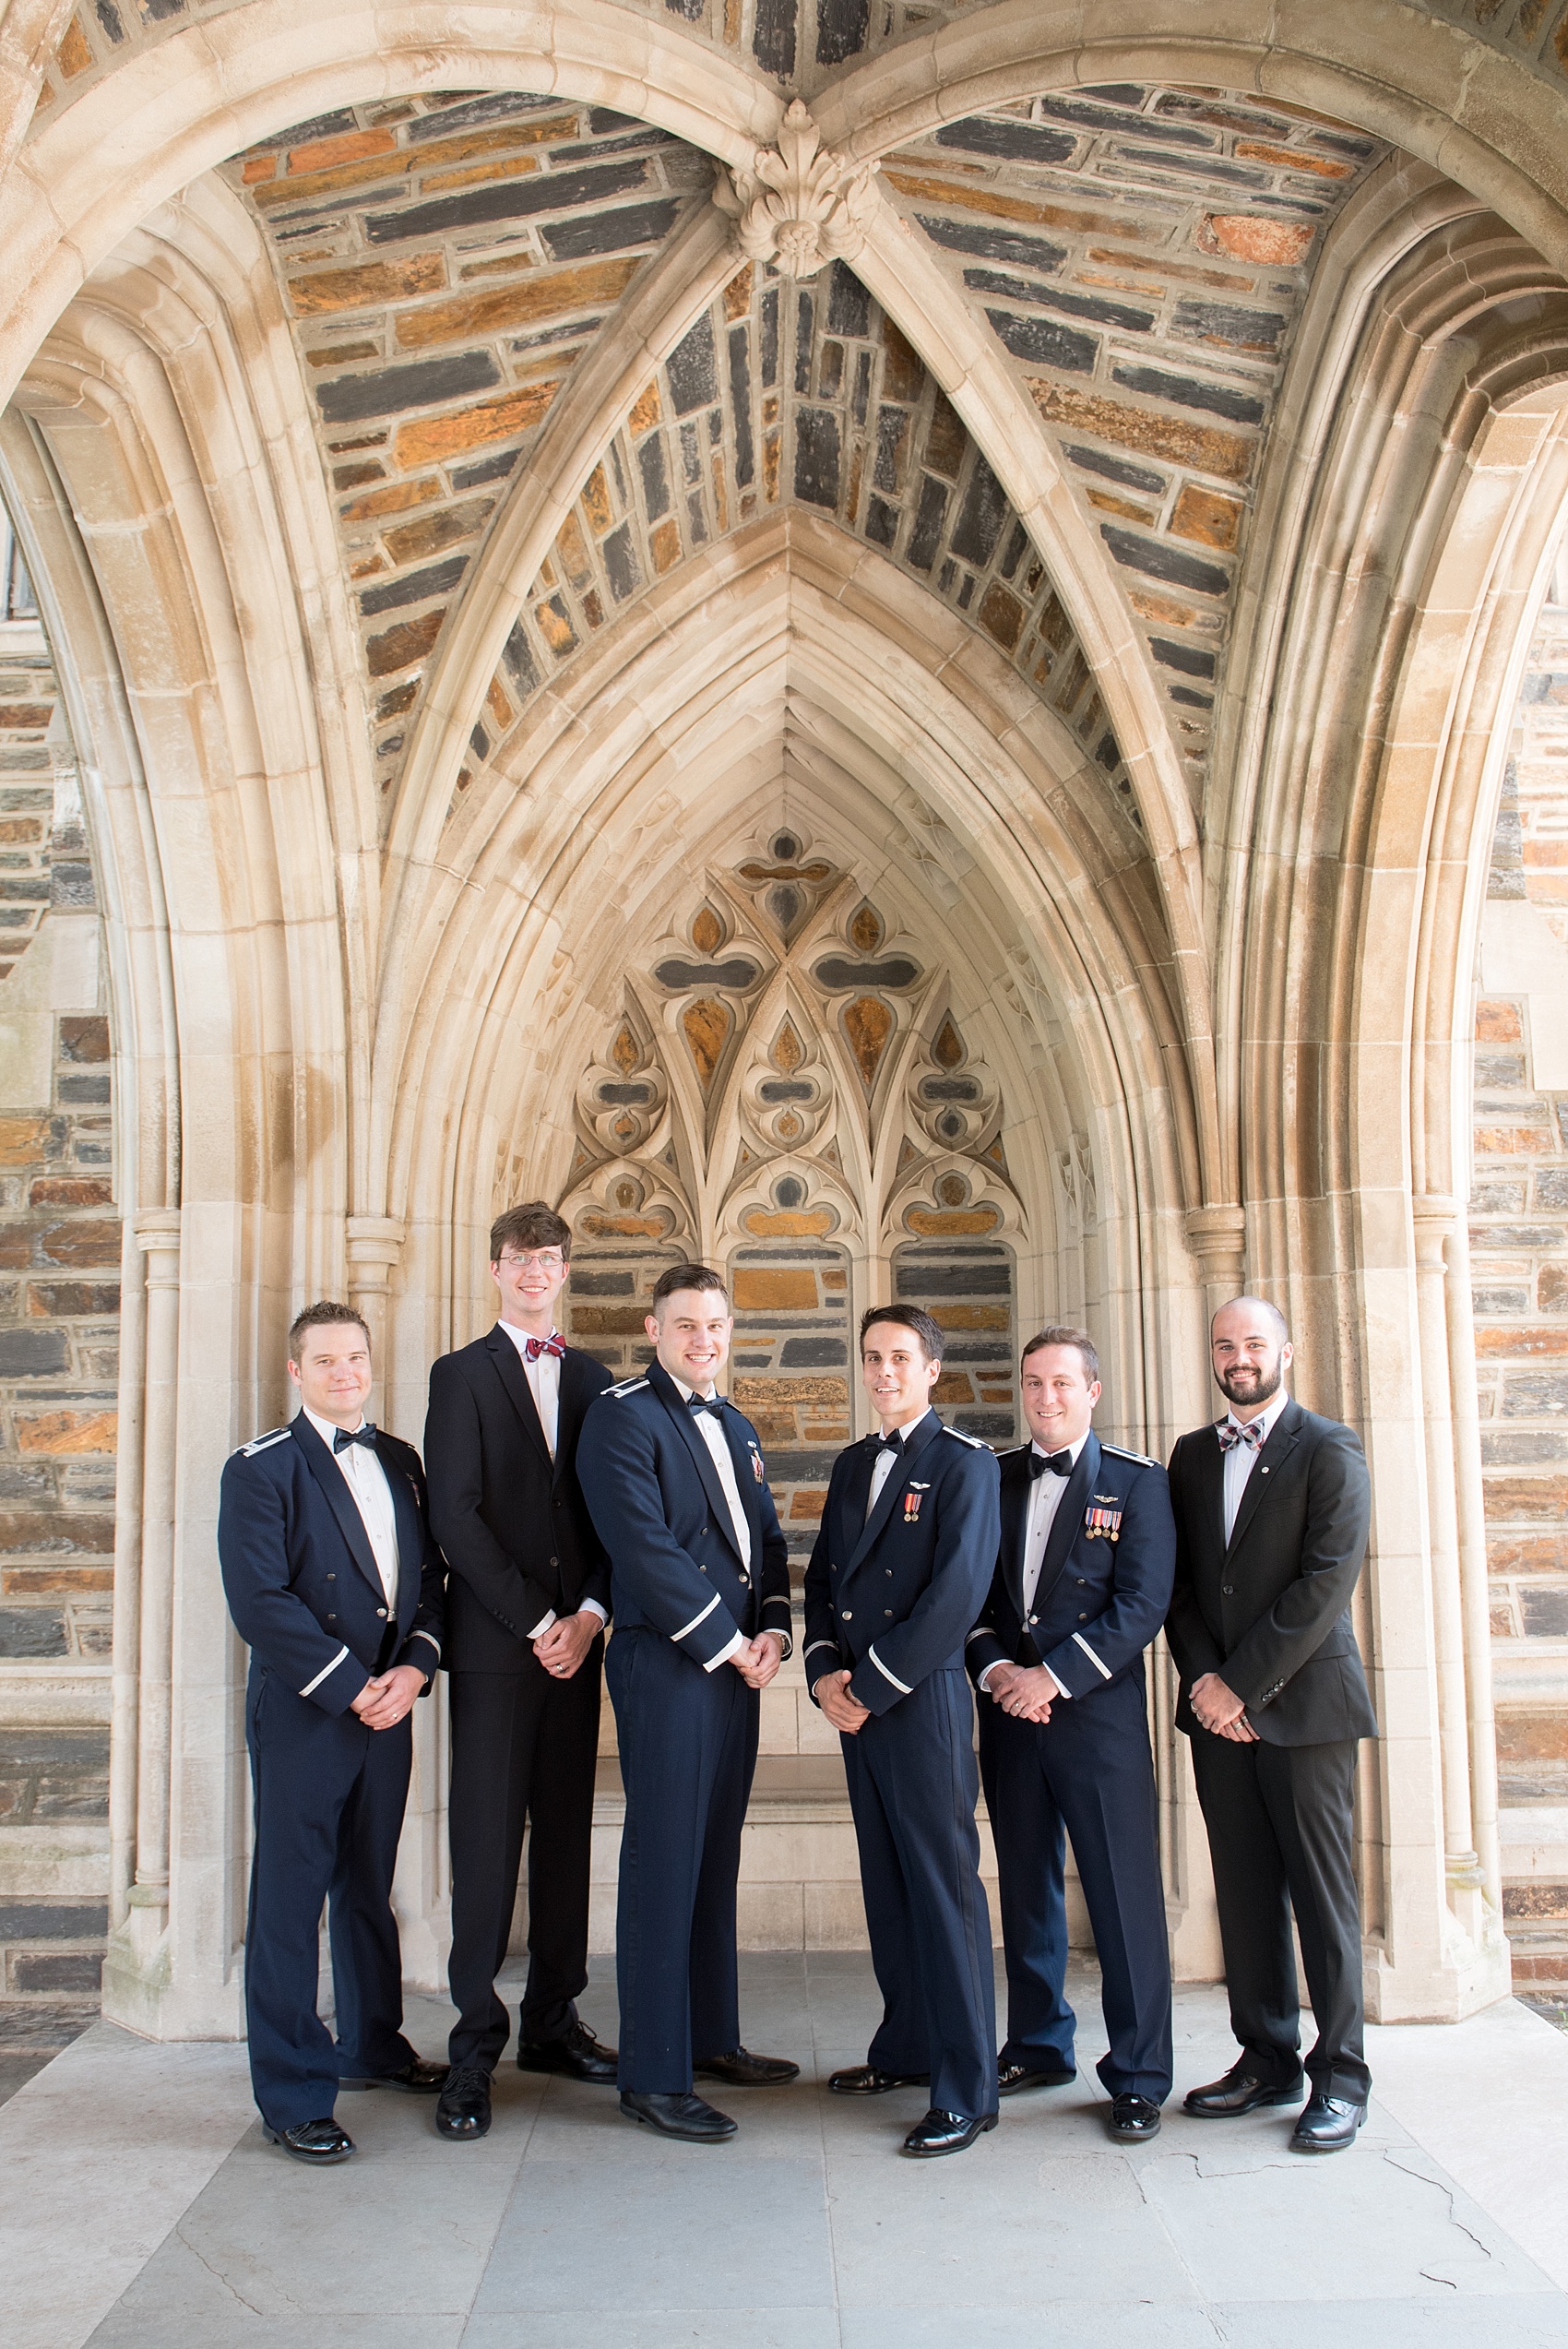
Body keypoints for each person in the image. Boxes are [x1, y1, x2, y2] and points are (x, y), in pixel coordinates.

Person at [218, 1302, 447, 2165]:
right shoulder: (261, 1470)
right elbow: (260, 1604)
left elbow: (428, 1582)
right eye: (326, 1361)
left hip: (391, 1705)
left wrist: (414, 1670)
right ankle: (292, 2094)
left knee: (368, 1884)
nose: (345, 1372)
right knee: (288, 1903)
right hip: (311, 1713)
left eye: (356, 1357)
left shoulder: (400, 1460)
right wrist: (355, 1688)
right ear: (296, 1372)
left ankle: (373, 2045)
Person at [576, 1262, 799, 2141]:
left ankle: (711, 2038)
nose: (703, 1340)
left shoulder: (736, 1422)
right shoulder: (622, 1417)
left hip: (738, 1665)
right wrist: (727, 1641)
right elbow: (644, 1550)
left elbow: (768, 1541)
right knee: (665, 1861)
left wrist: (774, 1632)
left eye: (715, 1325)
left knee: (713, 1854)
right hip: (668, 1665)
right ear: (654, 1328)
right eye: (685, 1325)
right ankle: (653, 2072)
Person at [423, 1202, 618, 2144]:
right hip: (500, 1649)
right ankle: (473, 2042)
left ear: (563, 1269)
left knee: (566, 1837)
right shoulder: (458, 1376)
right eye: (518, 1258)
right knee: (488, 1842)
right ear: (494, 1267)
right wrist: (538, 1618)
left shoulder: (593, 1379)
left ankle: (551, 2018)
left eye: (548, 1258)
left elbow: (615, 1514)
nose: (533, 1271)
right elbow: (455, 1516)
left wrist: (585, 1616)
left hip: (578, 1648)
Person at [1166, 1294, 1377, 2155]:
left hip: (1307, 1712)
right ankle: (1265, 2058)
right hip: (1219, 1714)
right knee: (1245, 1894)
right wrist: (1204, 1684)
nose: (1239, 1356)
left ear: (1285, 1353)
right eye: (1226, 1344)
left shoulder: (1329, 1447)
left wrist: (1241, 1688)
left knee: (1323, 1900)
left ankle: (1342, 2077)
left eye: (1254, 1342)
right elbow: (1176, 1586)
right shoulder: (1187, 1456)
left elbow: (1327, 1583)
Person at [967, 1328, 1176, 2143]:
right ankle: (1039, 2042)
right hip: (1010, 1717)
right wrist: (998, 1676)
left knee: (1123, 1900)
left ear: (1092, 1390)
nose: (1045, 1397)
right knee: (1025, 1888)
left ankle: (1138, 2073)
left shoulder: (1135, 1483)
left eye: (1061, 1383)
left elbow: (1141, 1606)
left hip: (1096, 1722)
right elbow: (975, 1599)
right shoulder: (993, 1476)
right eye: (1032, 1383)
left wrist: (1049, 1679)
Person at [803, 1305, 1001, 2158]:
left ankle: (967, 2088)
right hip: (859, 1708)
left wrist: (873, 1686)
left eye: (900, 1358)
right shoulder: (852, 1464)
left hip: (921, 1706)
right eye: (873, 1357)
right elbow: (821, 1580)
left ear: (932, 1370)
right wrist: (822, 1675)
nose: (883, 1372)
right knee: (887, 1883)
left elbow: (955, 1596)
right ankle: (905, 2048)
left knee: (943, 1889)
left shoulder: (965, 1465)